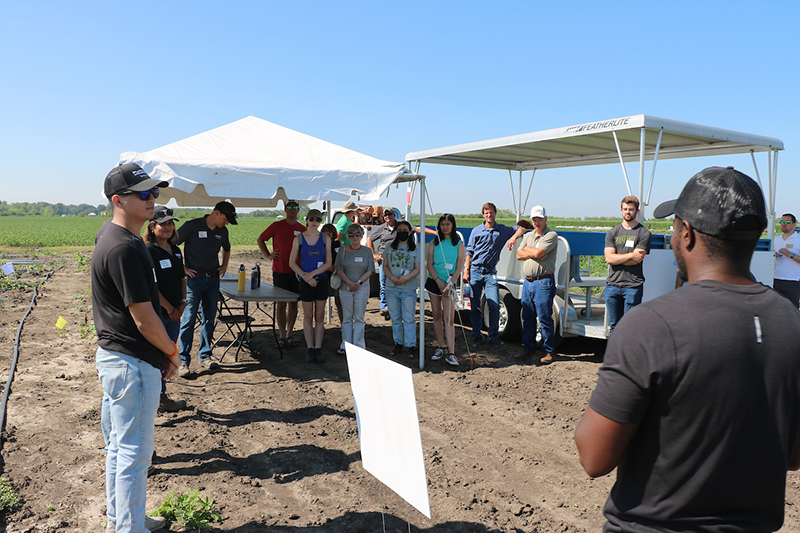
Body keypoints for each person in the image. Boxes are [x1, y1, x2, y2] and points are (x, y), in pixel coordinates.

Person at [574, 166, 800, 532]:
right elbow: (793, 456)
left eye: (675, 225)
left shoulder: (650, 325)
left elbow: (594, 457)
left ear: (686, 234)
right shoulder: (790, 322)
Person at [92, 163, 176, 532]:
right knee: (133, 454)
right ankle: (129, 527)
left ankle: (124, 519)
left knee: (119, 449)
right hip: (130, 363)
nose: (152, 198)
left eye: (154, 192)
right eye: (143, 193)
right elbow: (145, 318)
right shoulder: (124, 247)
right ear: (118, 199)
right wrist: (172, 352)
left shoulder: (116, 238)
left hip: (118, 359)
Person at [175, 200, 236, 375]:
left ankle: (205, 356)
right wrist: (183, 268)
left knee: (210, 318)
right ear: (216, 213)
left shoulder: (222, 231)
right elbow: (172, 246)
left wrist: (224, 265)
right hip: (194, 281)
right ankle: (183, 361)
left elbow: (227, 248)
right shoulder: (192, 226)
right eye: (225, 218)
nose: (226, 223)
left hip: (213, 280)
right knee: (189, 319)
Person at [144, 206, 188, 413]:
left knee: (169, 355)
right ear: (152, 227)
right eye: (164, 224)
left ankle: (161, 397)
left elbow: (181, 278)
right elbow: (151, 287)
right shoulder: (148, 252)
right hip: (158, 314)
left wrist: (182, 302)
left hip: (174, 313)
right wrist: (170, 308)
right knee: (156, 356)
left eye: (171, 223)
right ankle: (154, 399)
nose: (168, 227)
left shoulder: (176, 251)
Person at [463, 202, 525, 348]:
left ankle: (493, 336)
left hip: (491, 272)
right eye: (486, 213)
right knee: (475, 306)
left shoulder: (502, 230)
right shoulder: (476, 231)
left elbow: (522, 228)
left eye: (491, 212)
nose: (489, 215)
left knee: (494, 304)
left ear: (495, 213)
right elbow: (469, 252)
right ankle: (477, 336)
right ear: (483, 215)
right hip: (475, 271)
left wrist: (514, 237)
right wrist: (466, 270)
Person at [256, 199, 306, 348]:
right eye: (289, 207)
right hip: (280, 270)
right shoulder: (277, 226)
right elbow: (260, 239)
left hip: (296, 272)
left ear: (298, 210)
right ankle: (282, 335)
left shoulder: (302, 229)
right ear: (285, 210)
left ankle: (290, 333)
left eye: (295, 207)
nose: (292, 209)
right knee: (281, 304)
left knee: (293, 303)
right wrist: (268, 255)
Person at [516, 206, 558, 365]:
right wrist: (532, 251)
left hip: (543, 281)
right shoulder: (528, 236)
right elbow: (519, 255)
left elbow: (539, 254)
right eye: (534, 220)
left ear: (545, 219)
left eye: (539, 219)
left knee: (545, 317)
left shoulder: (551, 235)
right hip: (528, 281)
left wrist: (532, 251)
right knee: (527, 315)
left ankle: (549, 351)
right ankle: (528, 347)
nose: (537, 222)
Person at [289, 209, 332, 363]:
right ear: (307, 220)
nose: (315, 222)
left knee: (319, 317)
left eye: (318, 220)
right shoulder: (298, 239)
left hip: (320, 281)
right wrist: (305, 277)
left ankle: (318, 349)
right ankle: (310, 348)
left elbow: (328, 263)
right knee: (308, 316)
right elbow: (292, 263)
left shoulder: (325, 238)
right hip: (306, 282)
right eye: (312, 219)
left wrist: (312, 274)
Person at [603, 195, 651, 331]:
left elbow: (637, 260)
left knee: (630, 327)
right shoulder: (613, 232)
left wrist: (617, 258)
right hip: (612, 286)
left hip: (632, 286)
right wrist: (630, 255)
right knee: (614, 327)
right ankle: (614, 353)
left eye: (631, 209)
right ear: (621, 210)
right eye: (625, 209)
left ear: (637, 211)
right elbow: (609, 259)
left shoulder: (643, 233)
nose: (627, 212)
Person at [426, 213, 465, 367]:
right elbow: (429, 264)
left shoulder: (459, 244)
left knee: (449, 319)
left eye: (448, 224)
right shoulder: (433, 243)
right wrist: (438, 282)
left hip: (449, 284)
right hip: (434, 282)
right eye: (442, 224)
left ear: (452, 225)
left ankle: (451, 353)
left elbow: (459, 266)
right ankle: (440, 347)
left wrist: (449, 284)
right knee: (436, 315)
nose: (445, 227)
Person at [334, 223, 374, 354]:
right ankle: (345, 345)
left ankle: (359, 345)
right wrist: (349, 283)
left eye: (357, 234)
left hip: (362, 287)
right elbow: (338, 269)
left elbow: (370, 270)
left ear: (362, 236)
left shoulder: (367, 251)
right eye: (352, 235)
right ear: (348, 236)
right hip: (345, 287)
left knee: (359, 317)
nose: (355, 237)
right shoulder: (342, 250)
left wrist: (358, 283)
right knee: (346, 317)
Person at [383, 220, 421, 358]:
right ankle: (398, 343)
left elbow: (418, 269)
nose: (402, 232)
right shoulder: (389, 247)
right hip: (391, 287)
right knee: (395, 318)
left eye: (405, 230)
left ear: (410, 232)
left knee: (409, 318)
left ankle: (411, 345)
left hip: (408, 288)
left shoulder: (416, 249)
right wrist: (392, 277)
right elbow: (385, 265)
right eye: (399, 230)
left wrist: (405, 278)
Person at [367, 207, 399, 320]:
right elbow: (369, 239)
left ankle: (393, 308)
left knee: (396, 285)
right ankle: (384, 308)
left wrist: (435, 232)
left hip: (397, 261)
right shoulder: (381, 228)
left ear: (394, 215)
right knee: (383, 284)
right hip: (384, 260)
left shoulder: (401, 226)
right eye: (385, 215)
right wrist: (374, 254)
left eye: (389, 214)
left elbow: (417, 229)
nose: (387, 217)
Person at [773, 213, 800, 307]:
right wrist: (773, 256)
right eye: (782, 221)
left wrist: (791, 255)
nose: (784, 224)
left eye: (787, 222)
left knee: (792, 312)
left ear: (794, 225)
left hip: (792, 280)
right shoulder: (776, 240)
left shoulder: (798, 240)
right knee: (775, 309)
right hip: (775, 279)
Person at [321, 223, 344, 324]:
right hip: (323, 275)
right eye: (325, 231)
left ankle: (343, 324)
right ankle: (320, 323)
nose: (328, 233)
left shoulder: (337, 244)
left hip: (336, 275)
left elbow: (342, 257)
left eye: (330, 231)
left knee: (339, 301)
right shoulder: (319, 245)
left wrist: (335, 265)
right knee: (321, 301)